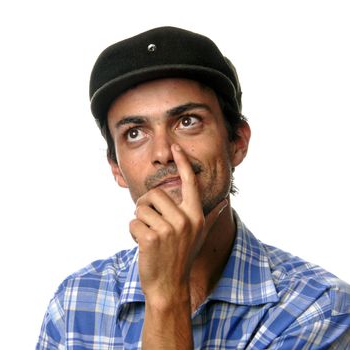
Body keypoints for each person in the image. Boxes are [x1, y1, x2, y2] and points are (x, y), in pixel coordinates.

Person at [36, 26, 350, 349]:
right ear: (116, 167)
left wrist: (167, 295)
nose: (162, 153)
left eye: (187, 121)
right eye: (134, 133)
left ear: (237, 143)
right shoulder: (74, 307)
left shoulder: (321, 309)